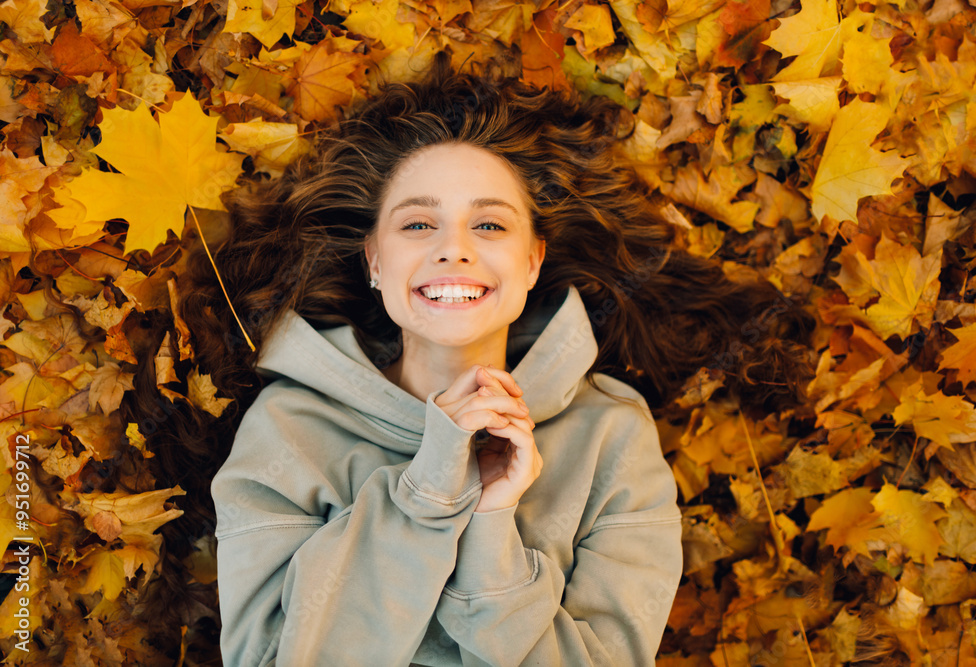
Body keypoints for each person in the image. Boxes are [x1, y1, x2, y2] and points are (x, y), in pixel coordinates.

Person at [152, 50, 813, 665]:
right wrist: (424, 494)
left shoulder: (612, 437)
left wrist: (494, 530)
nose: (454, 249)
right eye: (418, 223)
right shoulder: (288, 431)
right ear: (376, 262)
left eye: (490, 224)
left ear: (532, 262)